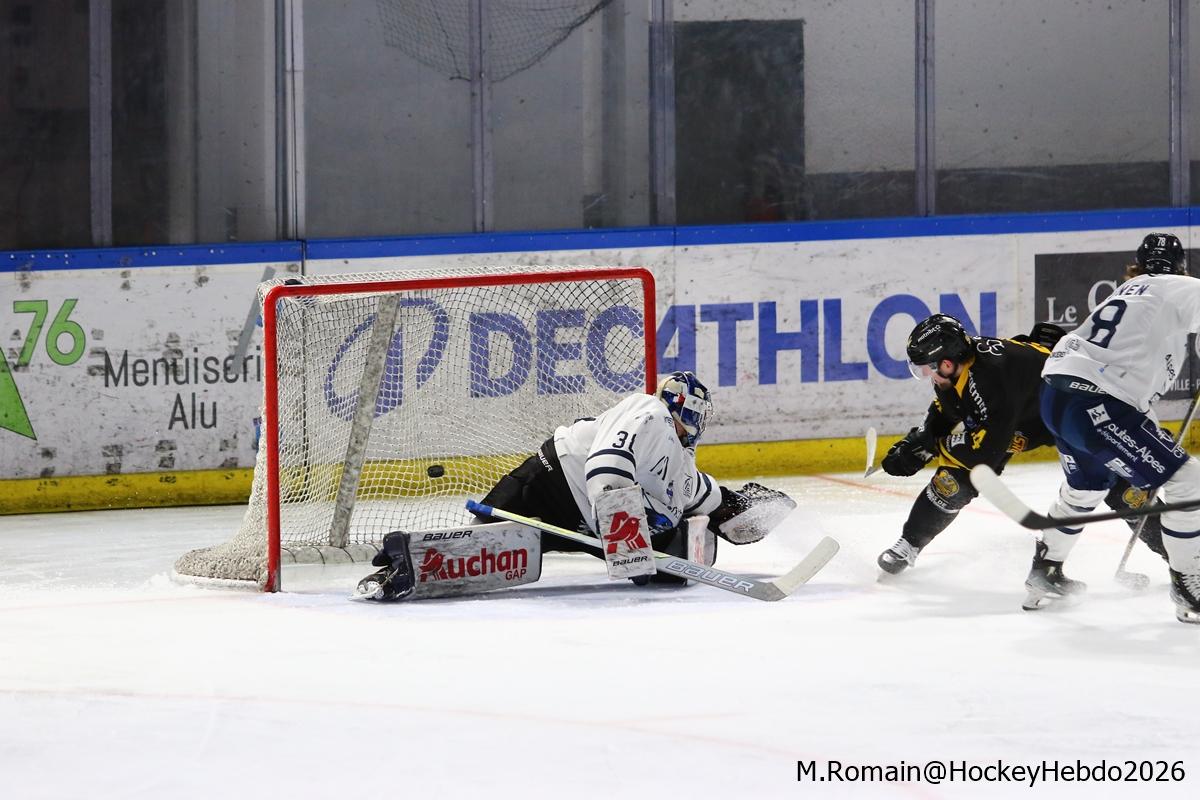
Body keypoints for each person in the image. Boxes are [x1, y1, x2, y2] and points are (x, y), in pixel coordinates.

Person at [359, 371, 795, 601]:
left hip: (592, 526)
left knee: (668, 562)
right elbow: (607, 465)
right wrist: (626, 540)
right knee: (484, 544)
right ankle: (406, 565)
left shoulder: (684, 467)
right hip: (554, 484)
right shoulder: (650, 412)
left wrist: (748, 512)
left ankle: (424, 563)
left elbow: (713, 500)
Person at [877, 314, 1144, 577]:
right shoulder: (958, 367)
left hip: (1077, 410)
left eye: (927, 368)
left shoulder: (991, 379)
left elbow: (986, 454)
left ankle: (1170, 550)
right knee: (955, 481)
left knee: (1120, 486)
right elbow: (949, 409)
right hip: (1026, 414)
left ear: (946, 363)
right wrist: (920, 438)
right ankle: (909, 544)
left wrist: (931, 447)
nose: (927, 375)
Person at [1036, 232, 1200, 623]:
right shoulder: (1179, 288)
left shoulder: (1127, 294)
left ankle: (1044, 574)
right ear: (1181, 266)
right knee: (1188, 481)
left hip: (1057, 397)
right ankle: (1188, 586)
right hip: (1094, 403)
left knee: (1086, 487)